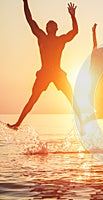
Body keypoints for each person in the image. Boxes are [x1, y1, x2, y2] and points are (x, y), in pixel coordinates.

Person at [7, 0, 81, 130]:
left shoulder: (61, 40)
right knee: (33, 99)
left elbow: (75, 32)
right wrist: (25, 2)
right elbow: (30, 20)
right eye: (47, 25)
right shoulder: (41, 36)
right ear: (46, 28)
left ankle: (83, 124)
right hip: (44, 73)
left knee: (71, 98)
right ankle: (17, 124)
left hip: (57, 73)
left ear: (56, 29)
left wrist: (73, 16)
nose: (49, 27)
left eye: (52, 25)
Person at [86, 23, 103, 126]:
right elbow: (95, 46)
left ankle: (87, 120)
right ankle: (87, 120)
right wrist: (93, 32)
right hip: (96, 93)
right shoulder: (94, 64)